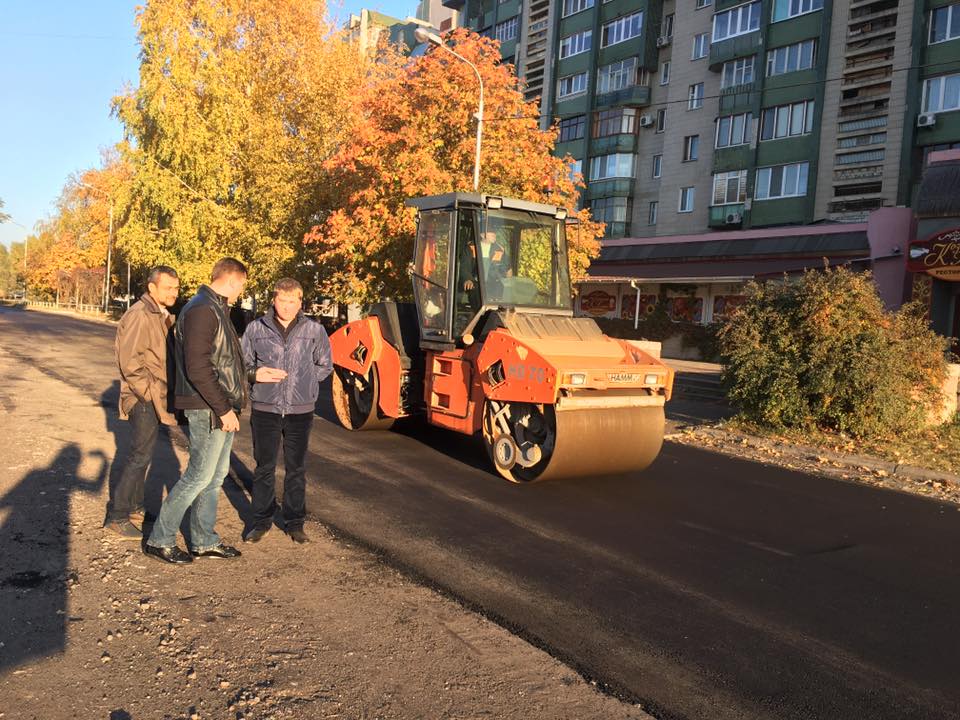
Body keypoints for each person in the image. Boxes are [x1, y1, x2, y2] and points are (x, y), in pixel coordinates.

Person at [143, 258, 249, 564]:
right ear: (231, 280)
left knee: (215, 476)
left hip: (217, 404)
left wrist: (251, 376)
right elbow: (199, 367)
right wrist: (223, 408)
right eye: (242, 284)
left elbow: (223, 361)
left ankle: (203, 540)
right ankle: (160, 539)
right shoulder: (204, 309)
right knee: (198, 476)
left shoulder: (214, 308)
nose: (242, 290)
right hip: (208, 407)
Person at [240, 278, 332, 544]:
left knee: (296, 468)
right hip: (265, 408)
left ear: (300, 302)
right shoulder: (256, 329)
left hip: (300, 410)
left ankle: (294, 522)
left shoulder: (314, 330)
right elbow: (242, 364)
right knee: (264, 468)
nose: (288, 306)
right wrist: (256, 374)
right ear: (274, 300)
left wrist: (304, 380)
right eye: (283, 300)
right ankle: (260, 521)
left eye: (293, 301)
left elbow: (325, 365)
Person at [106, 266, 180, 539]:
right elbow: (129, 361)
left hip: (152, 395)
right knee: (139, 457)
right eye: (168, 287)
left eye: (176, 287)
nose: (173, 292)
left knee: (144, 454)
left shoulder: (160, 314)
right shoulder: (140, 314)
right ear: (152, 288)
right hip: (143, 397)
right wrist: (146, 393)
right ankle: (117, 515)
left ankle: (136, 507)